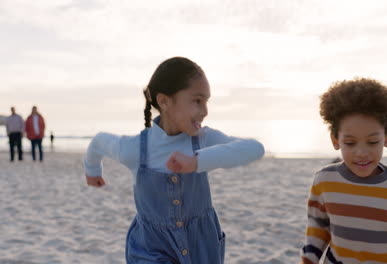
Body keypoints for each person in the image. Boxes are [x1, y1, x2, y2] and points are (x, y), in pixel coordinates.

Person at [84, 57, 264, 264]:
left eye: (207, 101)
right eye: (197, 100)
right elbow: (98, 142)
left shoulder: (203, 139)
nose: (205, 111)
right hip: (151, 249)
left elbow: (254, 149)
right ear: (164, 101)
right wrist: (92, 171)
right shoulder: (135, 148)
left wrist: (197, 162)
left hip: (201, 247)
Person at [300, 78, 387, 264]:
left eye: (372, 142)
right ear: (335, 140)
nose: (361, 153)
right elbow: (318, 228)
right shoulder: (324, 181)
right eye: (350, 143)